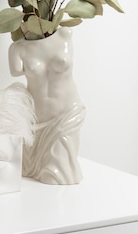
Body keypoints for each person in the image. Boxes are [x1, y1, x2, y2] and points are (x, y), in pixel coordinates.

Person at [8, 27, 85, 184]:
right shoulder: (18, 48)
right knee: (33, 172)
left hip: (66, 114)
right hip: (35, 121)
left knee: (58, 176)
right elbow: (15, 72)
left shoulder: (65, 34)